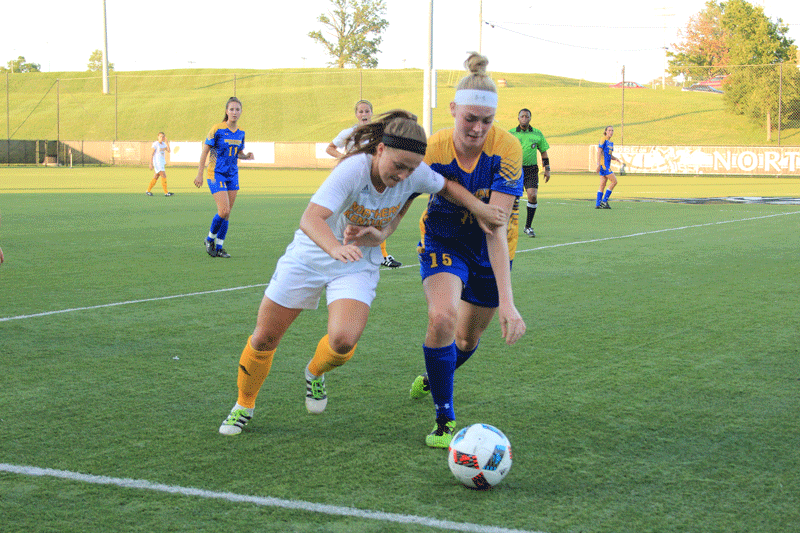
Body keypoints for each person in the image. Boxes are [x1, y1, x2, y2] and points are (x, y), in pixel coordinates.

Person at [218, 110, 508, 436]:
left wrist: (480, 208)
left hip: (357, 261)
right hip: (312, 254)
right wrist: (334, 248)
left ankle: (314, 373)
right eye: (398, 166)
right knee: (265, 336)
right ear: (380, 150)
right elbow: (311, 218)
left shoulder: (415, 172)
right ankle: (244, 405)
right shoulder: (352, 170)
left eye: (411, 169)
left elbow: (448, 187)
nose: (403, 175)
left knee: (343, 341)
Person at [409, 53, 527, 448]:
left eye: (486, 121)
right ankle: (444, 416)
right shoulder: (434, 146)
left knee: (465, 341)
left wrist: (508, 303)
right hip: (443, 240)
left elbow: (495, 225)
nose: (477, 128)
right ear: (453, 109)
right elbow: (407, 193)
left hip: (490, 249)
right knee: (442, 316)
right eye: (469, 118)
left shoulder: (508, 150)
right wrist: (384, 228)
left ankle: (433, 374)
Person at [327, 100, 401, 269]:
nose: (364, 114)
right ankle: (336, 248)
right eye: (360, 111)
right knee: (345, 214)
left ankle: (381, 255)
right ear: (356, 114)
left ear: (371, 113)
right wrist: (344, 159)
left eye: (367, 111)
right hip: (353, 179)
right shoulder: (349, 133)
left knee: (376, 215)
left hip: (373, 180)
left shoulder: (377, 134)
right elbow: (330, 148)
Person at [193, 97, 254, 258]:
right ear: (226, 111)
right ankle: (209, 239)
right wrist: (199, 173)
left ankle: (219, 247)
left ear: (241, 112)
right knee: (223, 210)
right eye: (232, 109)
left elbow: (238, 152)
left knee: (227, 213)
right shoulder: (217, 129)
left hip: (232, 175)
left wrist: (246, 156)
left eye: (237, 109)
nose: (234, 112)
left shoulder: (241, 132)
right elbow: (205, 151)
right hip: (215, 173)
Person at [508, 109, 550, 237]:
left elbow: (543, 152)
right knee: (512, 199)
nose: (524, 118)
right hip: (515, 169)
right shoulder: (511, 133)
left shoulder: (537, 134)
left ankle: (528, 227)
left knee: (532, 196)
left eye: (527, 116)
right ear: (518, 118)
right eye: (522, 116)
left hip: (531, 169)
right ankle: (508, 227)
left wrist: (547, 168)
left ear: (530, 118)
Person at [596, 125, 620, 209]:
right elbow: (599, 151)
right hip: (604, 166)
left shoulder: (611, 142)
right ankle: (605, 201)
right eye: (609, 130)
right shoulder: (603, 139)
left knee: (602, 184)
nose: (611, 132)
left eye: (612, 130)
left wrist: (615, 158)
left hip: (606, 165)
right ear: (605, 131)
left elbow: (608, 154)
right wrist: (598, 164)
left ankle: (598, 204)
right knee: (614, 181)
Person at [146, 132, 173, 197]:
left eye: (163, 137)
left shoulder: (163, 144)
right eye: (160, 136)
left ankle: (148, 190)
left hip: (161, 162)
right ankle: (166, 192)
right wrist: (150, 163)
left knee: (156, 176)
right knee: (163, 175)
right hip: (157, 163)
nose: (162, 138)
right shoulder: (156, 144)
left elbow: (169, 151)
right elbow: (152, 154)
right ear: (158, 137)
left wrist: (167, 142)